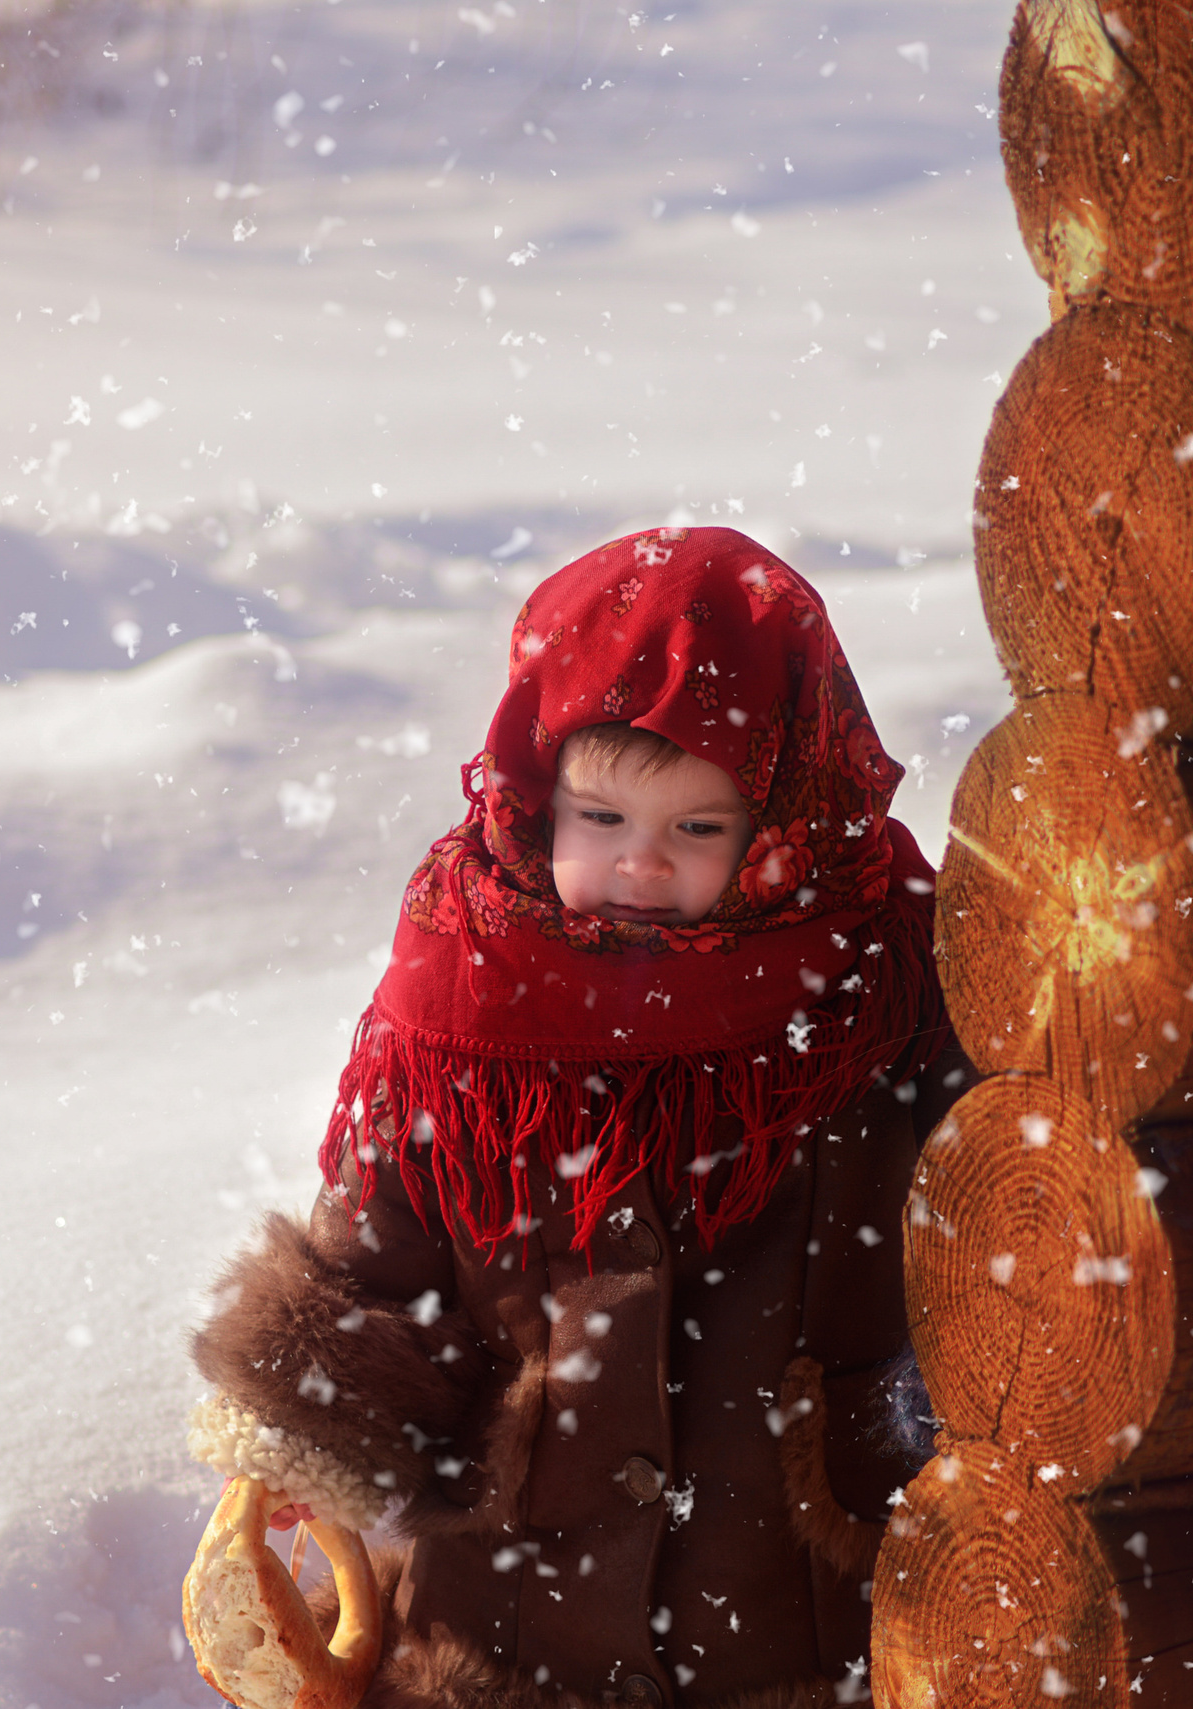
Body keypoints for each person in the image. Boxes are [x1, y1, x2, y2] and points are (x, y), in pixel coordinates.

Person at [186, 526, 965, 1709]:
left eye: (696, 828)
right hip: (501, 1635)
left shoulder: (872, 977)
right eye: (599, 818)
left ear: (778, 824)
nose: (639, 865)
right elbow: (375, 1257)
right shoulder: (460, 1007)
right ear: (533, 797)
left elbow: (989, 1184)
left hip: (790, 1626)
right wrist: (302, 1440)